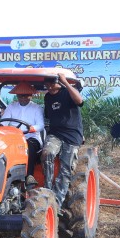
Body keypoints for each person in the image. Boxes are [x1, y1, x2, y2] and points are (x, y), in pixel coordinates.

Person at [41, 69, 84, 206]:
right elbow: (48, 116)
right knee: (47, 153)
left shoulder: (68, 93)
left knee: (66, 169)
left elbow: (79, 101)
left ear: (58, 83)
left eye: (52, 85)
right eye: (47, 86)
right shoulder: (47, 97)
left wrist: (65, 82)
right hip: (56, 133)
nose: (50, 88)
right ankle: (48, 191)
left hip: (72, 135)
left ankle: (56, 203)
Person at [1, 82, 45, 179]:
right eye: (21, 96)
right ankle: (3, 176)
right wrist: (0, 126)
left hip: (31, 137)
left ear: (31, 95)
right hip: (13, 138)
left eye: (26, 95)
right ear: (17, 95)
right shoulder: (11, 107)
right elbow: (4, 122)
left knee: (28, 147)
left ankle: (29, 176)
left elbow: (41, 125)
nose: (23, 98)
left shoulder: (37, 108)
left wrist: (31, 129)